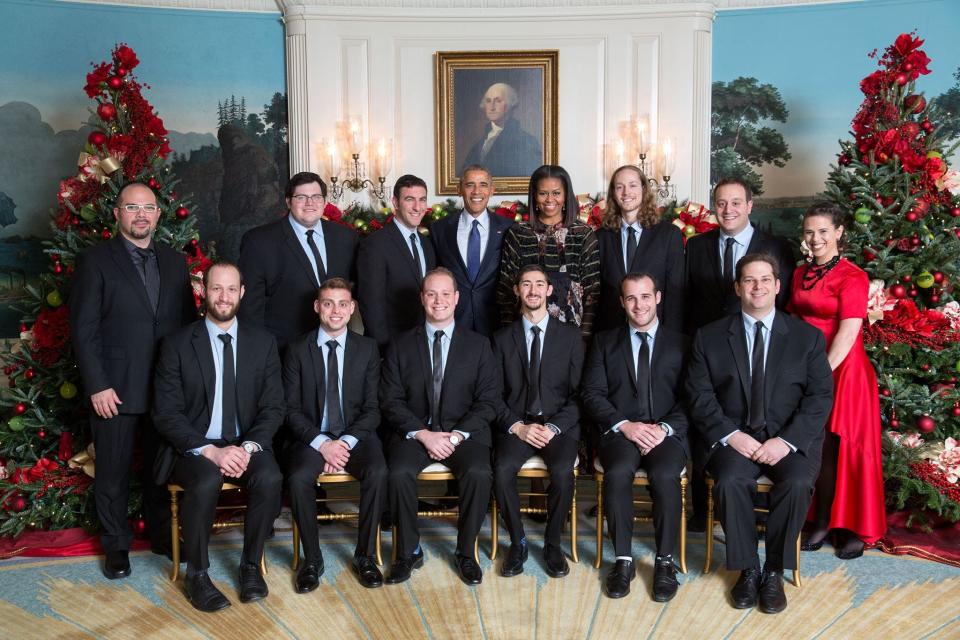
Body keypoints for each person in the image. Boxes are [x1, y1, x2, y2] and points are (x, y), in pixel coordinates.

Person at [685, 253, 833, 614]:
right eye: (749, 280)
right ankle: (748, 567)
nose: (757, 287)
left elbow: (819, 397)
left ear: (777, 286)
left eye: (765, 280)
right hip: (734, 438)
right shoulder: (710, 337)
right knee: (730, 480)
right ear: (737, 287)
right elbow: (698, 395)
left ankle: (773, 570)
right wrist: (731, 436)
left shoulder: (807, 339)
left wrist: (785, 441)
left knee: (797, 483)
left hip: (788, 441)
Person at [70, 181, 196, 580]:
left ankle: (162, 537)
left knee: (161, 471)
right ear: (117, 214)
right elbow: (83, 329)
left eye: (148, 207)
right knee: (112, 472)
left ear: (158, 214)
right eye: (132, 207)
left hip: (165, 389)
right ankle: (116, 547)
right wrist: (96, 384)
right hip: (115, 388)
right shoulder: (96, 260)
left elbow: (188, 327)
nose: (141, 214)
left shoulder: (175, 261)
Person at [153, 262, 285, 612]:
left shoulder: (263, 343)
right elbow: (166, 413)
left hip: (245, 442)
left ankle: (249, 565)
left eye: (230, 289)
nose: (223, 297)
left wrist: (248, 447)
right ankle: (198, 574)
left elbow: (273, 407)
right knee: (207, 478)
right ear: (203, 291)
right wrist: (210, 451)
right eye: (216, 288)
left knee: (270, 475)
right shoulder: (177, 344)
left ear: (241, 293)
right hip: (193, 448)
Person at [684, 177, 795, 530]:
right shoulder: (697, 245)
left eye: (736, 202)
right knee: (706, 424)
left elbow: (785, 303)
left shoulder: (776, 247)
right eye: (720, 203)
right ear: (713, 206)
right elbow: (685, 298)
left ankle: (757, 514)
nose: (727, 210)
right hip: (709, 352)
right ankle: (703, 511)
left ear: (750, 205)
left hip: (757, 350)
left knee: (755, 422)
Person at [379, 268, 498, 586]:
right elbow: (390, 400)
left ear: (457, 299)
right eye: (431, 293)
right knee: (398, 472)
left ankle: (465, 552)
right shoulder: (400, 344)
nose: (439, 300)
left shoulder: (479, 345)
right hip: (416, 432)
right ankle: (408, 551)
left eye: (446, 294)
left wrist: (457, 435)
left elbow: (488, 401)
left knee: (479, 472)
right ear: (422, 298)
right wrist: (423, 434)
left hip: (464, 433)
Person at [582, 273, 689, 601]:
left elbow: (695, 397)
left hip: (665, 432)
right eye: (630, 298)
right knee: (616, 473)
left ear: (657, 297)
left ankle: (665, 561)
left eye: (645, 296)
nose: (638, 304)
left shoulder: (682, 343)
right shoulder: (604, 342)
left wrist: (664, 428)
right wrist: (624, 425)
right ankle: (624, 560)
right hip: (621, 432)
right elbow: (592, 393)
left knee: (665, 473)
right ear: (621, 302)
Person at [789, 203, 886, 559]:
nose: (816, 239)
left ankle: (850, 526)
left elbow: (847, 334)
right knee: (818, 448)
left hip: (844, 371)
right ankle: (821, 518)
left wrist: (821, 377)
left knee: (845, 448)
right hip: (809, 367)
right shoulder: (799, 274)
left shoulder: (853, 277)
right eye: (810, 232)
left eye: (823, 232)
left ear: (839, 232)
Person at [281, 278, 387, 592]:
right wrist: (323, 444)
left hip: (355, 435)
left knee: (378, 471)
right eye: (328, 303)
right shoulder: (297, 350)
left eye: (343, 304)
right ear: (317, 307)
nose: (336, 310)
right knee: (299, 477)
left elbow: (372, 408)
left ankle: (365, 556)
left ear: (352, 308)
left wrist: (345, 442)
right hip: (311, 436)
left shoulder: (367, 349)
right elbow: (289, 409)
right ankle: (312, 559)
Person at [492, 264, 583, 578]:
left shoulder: (571, 337)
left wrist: (553, 427)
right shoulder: (501, 339)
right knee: (502, 470)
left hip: (557, 426)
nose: (532, 290)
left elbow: (580, 394)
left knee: (561, 473)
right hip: (518, 425)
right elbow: (492, 396)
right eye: (526, 284)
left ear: (549, 290)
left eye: (539, 284)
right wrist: (518, 426)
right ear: (517, 290)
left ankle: (553, 544)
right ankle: (517, 542)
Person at [238, 171, 358, 350]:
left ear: (325, 202)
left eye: (316, 197)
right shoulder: (259, 241)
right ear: (288, 201)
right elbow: (250, 308)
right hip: (282, 349)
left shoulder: (346, 238)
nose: (310, 203)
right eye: (301, 197)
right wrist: (261, 354)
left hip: (336, 347)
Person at [497, 164, 600, 338]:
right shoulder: (518, 233)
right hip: (525, 332)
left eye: (556, 193)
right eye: (543, 193)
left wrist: (583, 339)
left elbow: (593, 293)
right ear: (534, 196)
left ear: (566, 195)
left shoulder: (583, 234)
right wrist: (510, 335)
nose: (549, 199)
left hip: (572, 333)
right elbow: (505, 290)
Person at [596, 165, 684, 331]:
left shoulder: (669, 234)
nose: (626, 192)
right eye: (619, 187)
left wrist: (672, 338)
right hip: (611, 333)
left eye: (633, 185)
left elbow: (675, 293)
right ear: (613, 194)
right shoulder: (601, 237)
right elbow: (597, 293)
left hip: (656, 332)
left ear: (644, 189)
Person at [430, 164, 514, 337]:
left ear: (492, 190)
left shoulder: (508, 228)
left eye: (483, 185)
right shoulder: (440, 229)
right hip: (453, 323)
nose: (477, 191)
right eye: (470, 185)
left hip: (496, 325)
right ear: (459, 189)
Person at [357, 174, 437, 351]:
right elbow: (371, 306)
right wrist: (386, 350)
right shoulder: (375, 244)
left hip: (425, 344)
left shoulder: (426, 243)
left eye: (422, 199)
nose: (417, 207)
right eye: (410, 199)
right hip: (391, 347)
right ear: (395, 202)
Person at [461, 82, 542, 177]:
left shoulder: (527, 142)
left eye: (498, 101)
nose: (492, 107)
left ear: (510, 105)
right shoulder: (478, 145)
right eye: (488, 101)